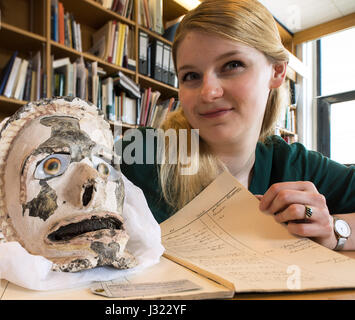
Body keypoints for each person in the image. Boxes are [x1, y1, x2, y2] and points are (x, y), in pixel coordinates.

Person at [118, 0, 355, 251]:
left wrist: (336, 230)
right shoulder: (139, 154)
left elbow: (337, 229)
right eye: (191, 76)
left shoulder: (293, 163)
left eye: (232, 65)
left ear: (277, 71)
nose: (208, 92)